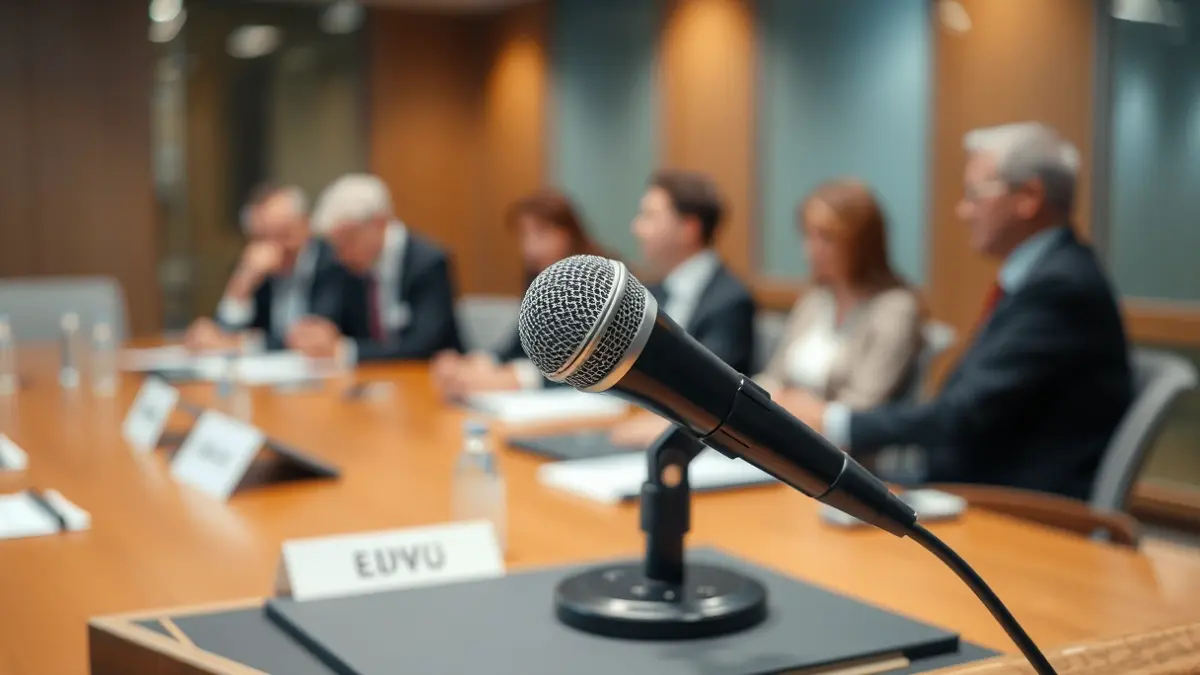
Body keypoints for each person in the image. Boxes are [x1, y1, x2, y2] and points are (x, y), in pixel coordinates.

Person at [786, 122, 1133, 499]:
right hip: (969, 488)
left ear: (1029, 196)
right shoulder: (1044, 278)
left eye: (974, 195)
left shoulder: (1061, 287)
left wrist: (833, 421)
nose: (963, 211)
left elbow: (963, 414)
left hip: (1012, 508)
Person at [610, 169, 757, 446]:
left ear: (689, 228)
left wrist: (663, 427)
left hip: (694, 442)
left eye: (650, 216)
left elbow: (710, 391)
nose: (637, 228)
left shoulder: (731, 300)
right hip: (636, 424)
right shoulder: (649, 292)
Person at [757, 179, 924, 412]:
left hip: (838, 444)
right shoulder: (815, 300)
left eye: (827, 237)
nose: (812, 249)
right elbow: (774, 377)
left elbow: (864, 406)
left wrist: (795, 407)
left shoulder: (895, 309)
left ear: (862, 243)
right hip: (781, 431)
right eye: (808, 236)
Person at [431, 189, 604, 399]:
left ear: (567, 233)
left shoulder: (597, 282)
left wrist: (518, 378)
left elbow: (590, 362)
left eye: (540, 232)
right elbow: (520, 344)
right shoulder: (538, 279)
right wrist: (480, 361)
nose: (530, 246)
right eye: (524, 235)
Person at [288, 174, 462, 362]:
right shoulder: (346, 266)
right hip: (369, 379)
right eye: (336, 246)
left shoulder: (428, 264)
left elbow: (423, 345)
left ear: (380, 222)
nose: (341, 255)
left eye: (348, 242)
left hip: (428, 378)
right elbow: (332, 321)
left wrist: (347, 351)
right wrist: (316, 334)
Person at [184, 184, 345, 351]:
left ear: (306, 225)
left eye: (284, 234)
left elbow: (312, 339)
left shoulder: (334, 263)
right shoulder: (258, 271)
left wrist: (241, 344)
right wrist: (242, 283)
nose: (275, 247)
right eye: (263, 237)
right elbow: (224, 334)